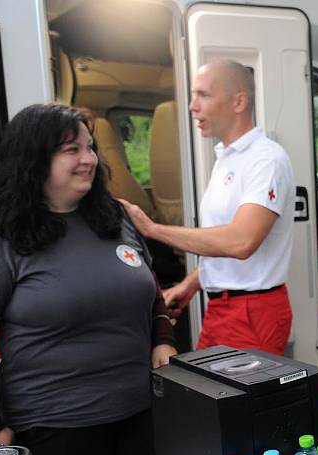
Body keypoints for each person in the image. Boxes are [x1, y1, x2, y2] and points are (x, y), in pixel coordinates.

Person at [0, 103, 177, 455]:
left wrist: (162, 338)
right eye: (72, 150)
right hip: (52, 433)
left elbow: (150, 293)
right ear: (33, 159)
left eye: (91, 147)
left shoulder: (114, 217)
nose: (89, 159)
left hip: (140, 418)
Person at [121, 60, 295, 356]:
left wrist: (152, 229)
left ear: (239, 101)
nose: (192, 106)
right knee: (213, 398)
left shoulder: (266, 159)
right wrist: (191, 283)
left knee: (242, 402)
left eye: (203, 95)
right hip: (222, 308)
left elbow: (241, 241)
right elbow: (223, 242)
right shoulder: (227, 158)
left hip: (252, 312)